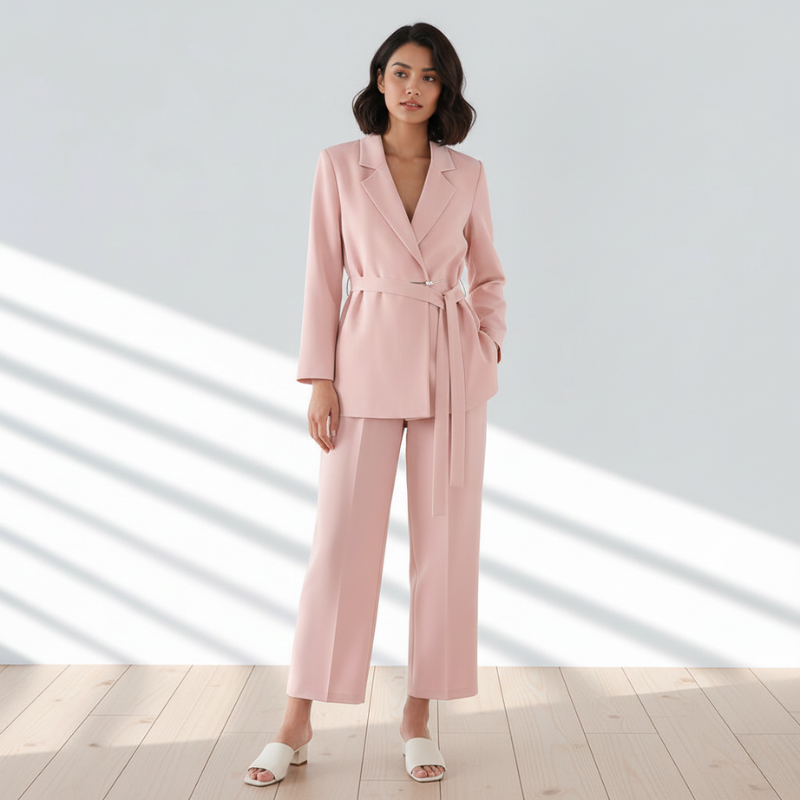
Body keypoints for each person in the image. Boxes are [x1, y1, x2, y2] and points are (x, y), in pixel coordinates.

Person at [245, 21, 507, 787]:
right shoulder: (339, 166)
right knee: (341, 548)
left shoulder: (468, 174)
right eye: (400, 71)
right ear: (379, 78)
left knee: (446, 549)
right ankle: (295, 721)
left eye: (428, 76)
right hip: (361, 369)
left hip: (453, 373)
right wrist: (318, 376)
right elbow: (322, 276)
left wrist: (486, 341)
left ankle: (419, 714)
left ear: (444, 89)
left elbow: (489, 275)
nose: (412, 88)